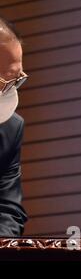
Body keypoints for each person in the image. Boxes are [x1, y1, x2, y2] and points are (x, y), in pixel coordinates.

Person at [0, 16, 28, 236]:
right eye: (5, 82)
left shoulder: (11, 128)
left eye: (17, 79)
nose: (12, 90)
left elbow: (8, 209)